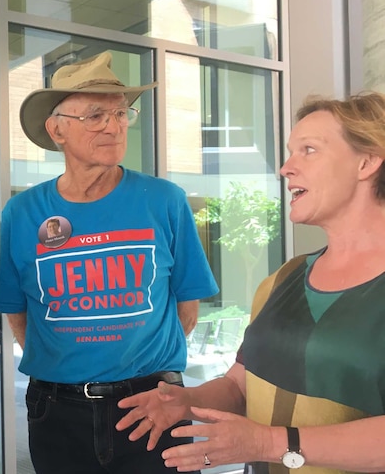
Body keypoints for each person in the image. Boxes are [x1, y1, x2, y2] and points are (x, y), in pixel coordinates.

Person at [116, 92, 385, 473]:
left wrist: (269, 442)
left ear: (368, 160)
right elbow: (242, 384)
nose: (286, 168)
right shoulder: (281, 281)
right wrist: (185, 401)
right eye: (291, 152)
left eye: (308, 150)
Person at [0, 50, 218, 473]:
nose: (114, 126)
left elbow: (186, 307)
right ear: (56, 129)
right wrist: (68, 369)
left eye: (120, 114)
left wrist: (148, 375)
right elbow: (18, 312)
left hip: (152, 405)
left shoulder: (164, 200)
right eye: (95, 115)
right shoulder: (22, 213)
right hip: (57, 410)